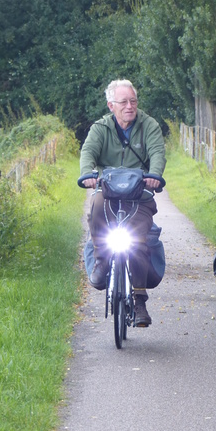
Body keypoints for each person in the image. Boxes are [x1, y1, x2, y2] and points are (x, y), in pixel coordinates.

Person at [80, 79, 166, 327]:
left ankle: (139, 299)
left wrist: (154, 176)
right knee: (96, 208)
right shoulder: (100, 128)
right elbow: (88, 152)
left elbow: (157, 153)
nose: (130, 106)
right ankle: (101, 260)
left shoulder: (149, 125)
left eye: (133, 101)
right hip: (107, 190)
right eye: (123, 102)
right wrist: (88, 174)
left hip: (140, 193)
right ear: (111, 105)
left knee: (138, 238)